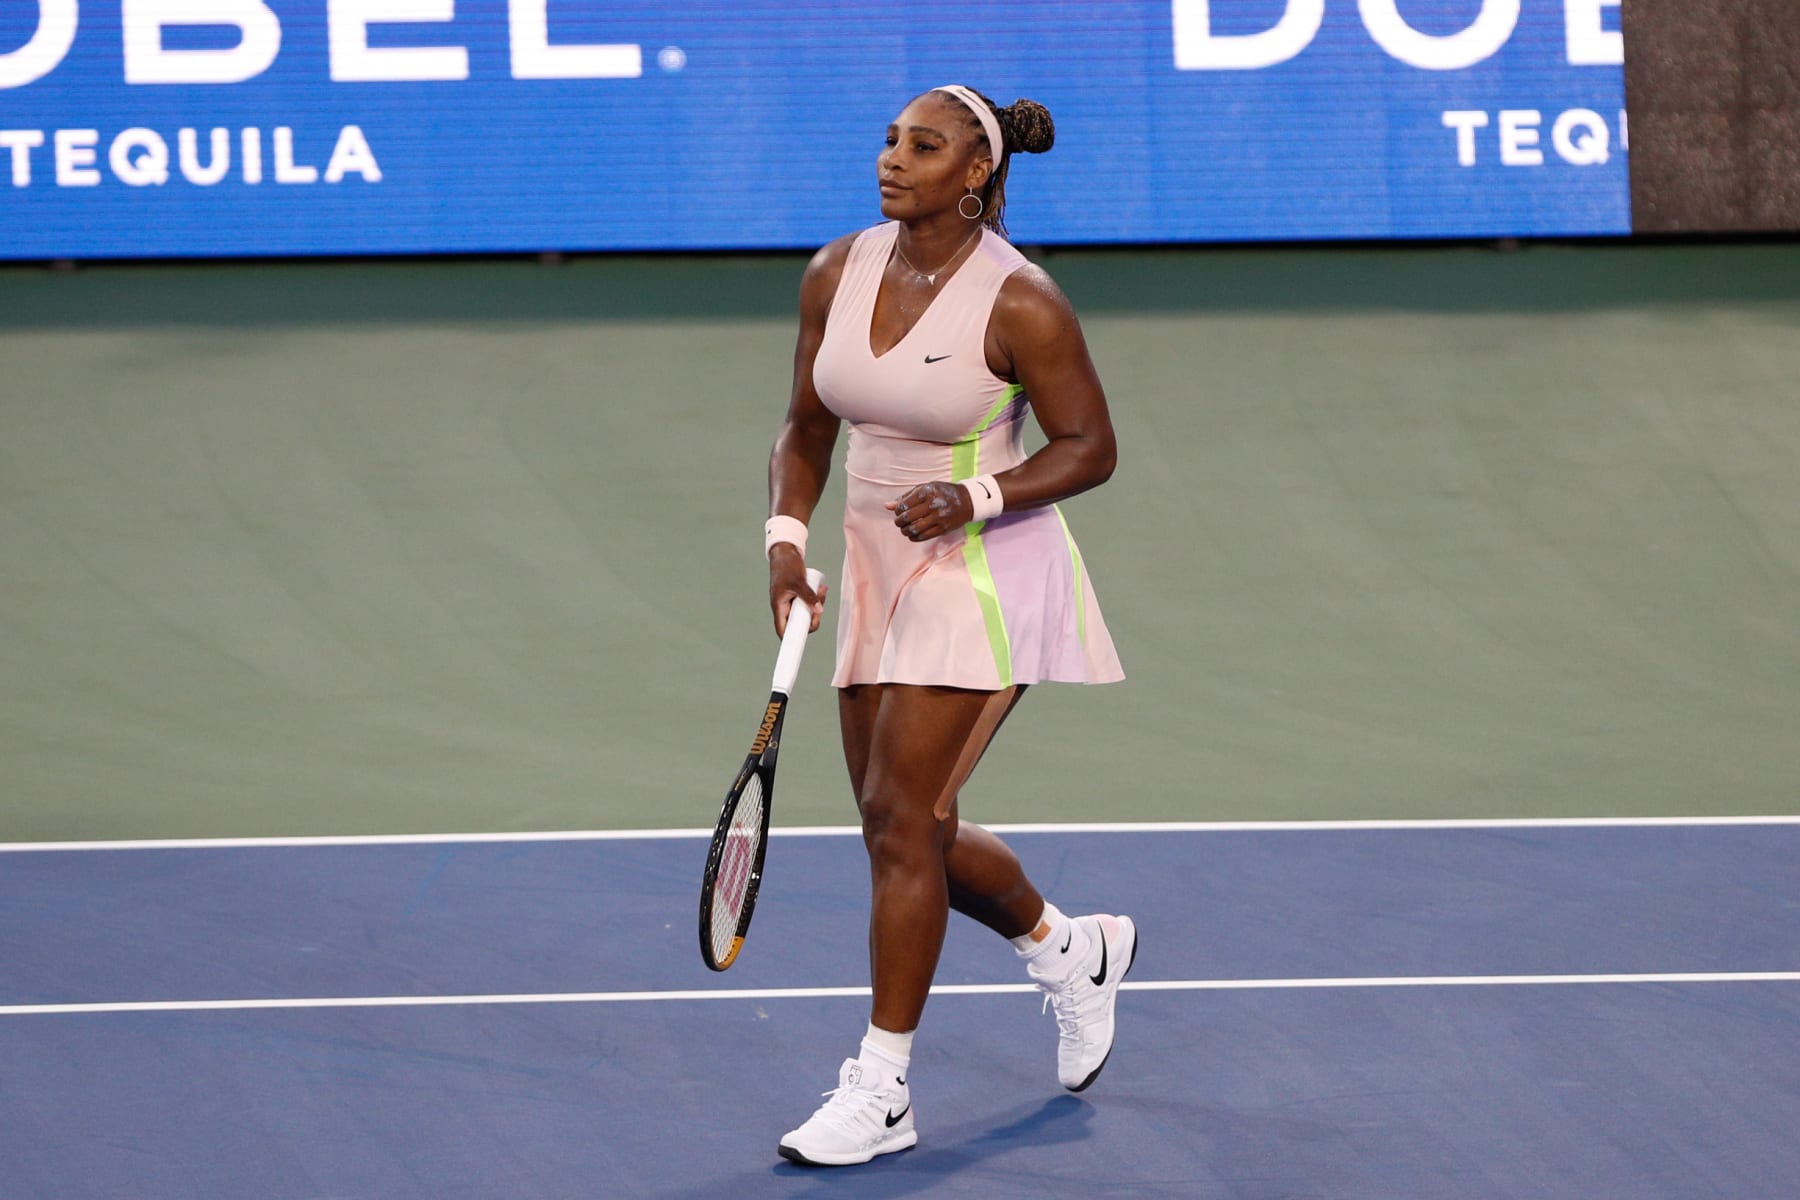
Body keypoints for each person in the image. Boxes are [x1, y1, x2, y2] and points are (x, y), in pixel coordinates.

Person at [763, 84, 1133, 1168]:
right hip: (880, 566)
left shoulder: (1022, 302)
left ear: (977, 172)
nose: (892, 159)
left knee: (899, 813)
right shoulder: (837, 270)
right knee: (903, 827)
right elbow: (804, 423)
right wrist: (785, 535)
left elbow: (1090, 447)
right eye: (887, 140)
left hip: (981, 562)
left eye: (923, 147)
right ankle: (1072, 949)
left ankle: (882, 1087)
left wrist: (980, 497)